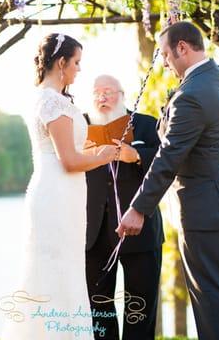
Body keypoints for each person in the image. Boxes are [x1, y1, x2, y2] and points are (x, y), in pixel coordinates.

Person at [117, 22, 219, 340]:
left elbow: (169, 157)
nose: (165, 63)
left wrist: (138, 208)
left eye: (167, 55)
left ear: (183, 48)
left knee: (209, 298)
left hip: (201, 209)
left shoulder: (191, 95)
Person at [1, 34, 117, 340]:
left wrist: (88, 147)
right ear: (61, 62)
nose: (79, 69)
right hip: (57, 193)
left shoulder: (48, 97)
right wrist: (102, 156)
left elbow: (65, 149)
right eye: (76, 62)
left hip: (61, 193)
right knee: (58, 269)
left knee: (62, 267)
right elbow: (68, 160)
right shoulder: (52, 100)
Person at [84, 75, 164, 340]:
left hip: (140, 231)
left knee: (140, 309)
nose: (102, 97)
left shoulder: (145, 124)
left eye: (108, 92)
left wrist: (137, 154)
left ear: (123, 94)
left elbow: (168, 164)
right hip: (93, 234)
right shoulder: (79, 126)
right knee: (99, 310)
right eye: (96, 92)